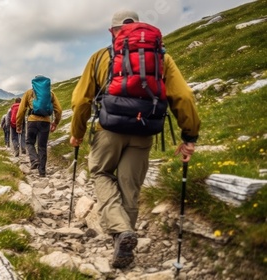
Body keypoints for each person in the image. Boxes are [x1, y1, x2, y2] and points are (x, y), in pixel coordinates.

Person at [69, 10, 201, 269]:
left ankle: (120, 232)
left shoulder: (100, 57)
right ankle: (124, 237)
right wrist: (189, 136)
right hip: (144, 130)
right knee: (130, 185)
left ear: (112, 31)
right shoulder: (161, 57)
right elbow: (184, 97)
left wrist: (77, 132)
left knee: (101, 172)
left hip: (109, 130)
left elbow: (80, 100)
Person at [16, 77, 62, 177]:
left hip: (32, 121)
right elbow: (59, 110)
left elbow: (21, 111)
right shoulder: (50, 93)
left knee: (29, 142)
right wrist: (55, 123)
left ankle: (34, 160)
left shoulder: (29, 93)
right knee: (42, 146)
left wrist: (18, 125)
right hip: (45, 122)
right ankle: (42, 172)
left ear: (34, 84)